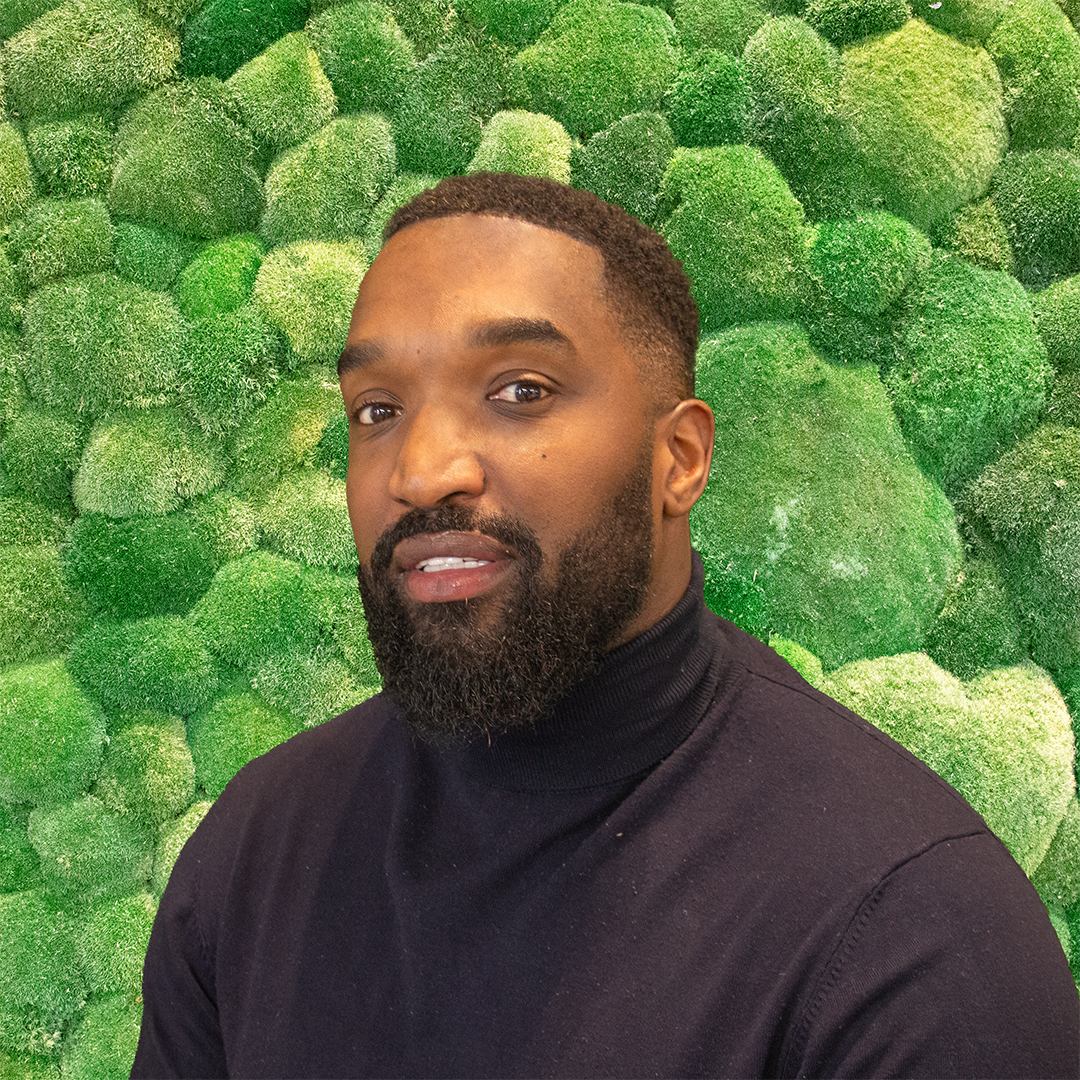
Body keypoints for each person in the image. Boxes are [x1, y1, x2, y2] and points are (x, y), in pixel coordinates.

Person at [131, 173, 1080, 1079]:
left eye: (520, 392)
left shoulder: (909, 939)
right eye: (376, 409)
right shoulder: (254, 849)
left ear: (680, 458)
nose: (418, 472)